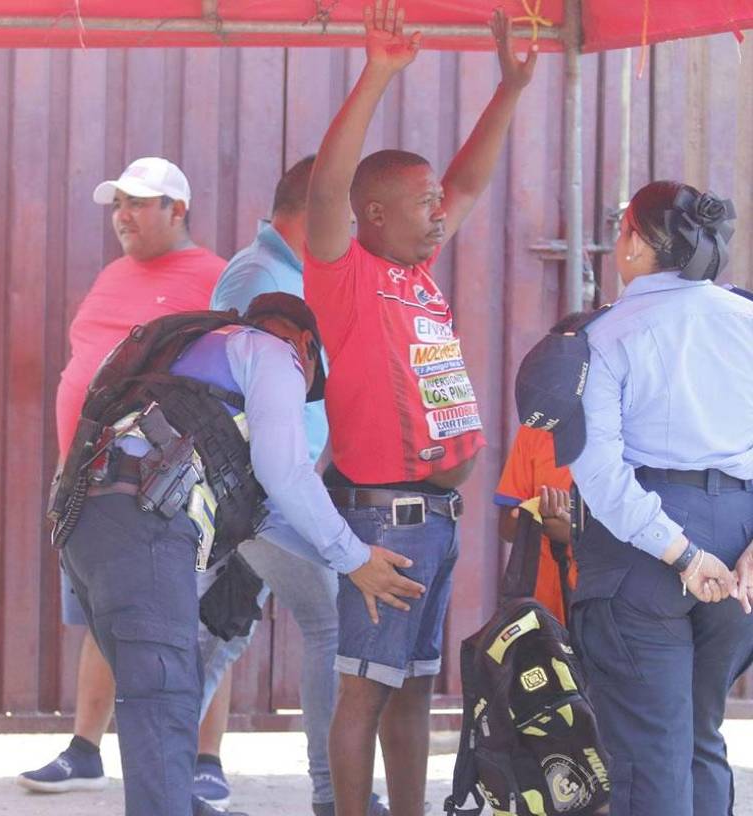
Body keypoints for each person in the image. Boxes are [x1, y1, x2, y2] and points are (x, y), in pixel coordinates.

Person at [52, 292, 422, 816]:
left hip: (88, 524)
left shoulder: (198, 356)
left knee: (160, 694)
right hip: (143, 526)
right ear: (307, 346)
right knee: (164, 698)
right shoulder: (274, 353)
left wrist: (352, 560)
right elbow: (286, 474)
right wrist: (356, 559)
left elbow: (266, 515)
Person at [302, 3, 537, 814]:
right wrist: (377, 73)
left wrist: (510, 89)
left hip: (434, 518)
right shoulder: (347, 277)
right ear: (373, 215)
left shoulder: (415, 271)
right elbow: (328, 187)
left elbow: (468, 180)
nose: (442, 211)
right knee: (364, 690)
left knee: (412, 691)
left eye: (439, 202)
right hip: (384, 522)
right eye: (424, 202)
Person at [523, 180, 752, 816]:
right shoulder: (747, 320)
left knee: (650, 753)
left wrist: (684, 556)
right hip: (739, 550)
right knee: (701, 739)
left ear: (632, 241)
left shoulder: (602, 336)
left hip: (644, 557)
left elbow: (600, 475)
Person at [19, 156, 233, 803]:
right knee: (103, 616)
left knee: (190, 624)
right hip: (88, 482)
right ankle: (86, 750)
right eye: (118, 205)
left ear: (177, 210)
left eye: (138, 203)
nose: (123, 216)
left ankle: (204, 759)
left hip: (165, 493)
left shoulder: (216, 277)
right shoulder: (114, 275)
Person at [203, 156, 386, 816]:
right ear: (316, 208)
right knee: (331, 619)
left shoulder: (294, 272)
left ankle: (169, 780)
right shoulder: (259, 277)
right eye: (346, 214)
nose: (352, 231)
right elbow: (229, 397)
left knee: (217, 635)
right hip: (260, 492)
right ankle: (335, 794)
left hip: (275, 489)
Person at [494, 423, 576, 625]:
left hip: (609, 607)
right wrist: (539, 513)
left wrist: (572, 530)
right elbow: (507, 527)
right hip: (543, 612)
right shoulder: (537, 426)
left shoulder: (637, 433)